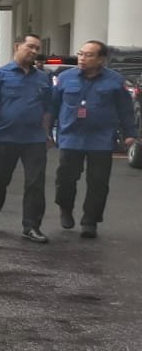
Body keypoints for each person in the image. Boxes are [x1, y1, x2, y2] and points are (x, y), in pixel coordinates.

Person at [52, 40, 138, 238]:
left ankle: (90, 221)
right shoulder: (65, 77)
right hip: (71, 137)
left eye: (88, 55)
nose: (82, 58)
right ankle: (65, 208)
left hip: (101, 138)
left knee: (98, 183)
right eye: (80, 54)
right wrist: (47, 132)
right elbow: (53, 106)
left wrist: (130, 133)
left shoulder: (115, 80)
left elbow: (125, 109)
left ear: (101, 59)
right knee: (65, 178)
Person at [0, 33, 55, 243]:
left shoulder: (43, 78)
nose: (34, 51)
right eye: (30, 46)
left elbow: (47, 109)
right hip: (5, 137)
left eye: (37, 48)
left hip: (34, 140)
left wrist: (47, 133)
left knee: (35, 184)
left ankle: (31, 227)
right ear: (17, 46)